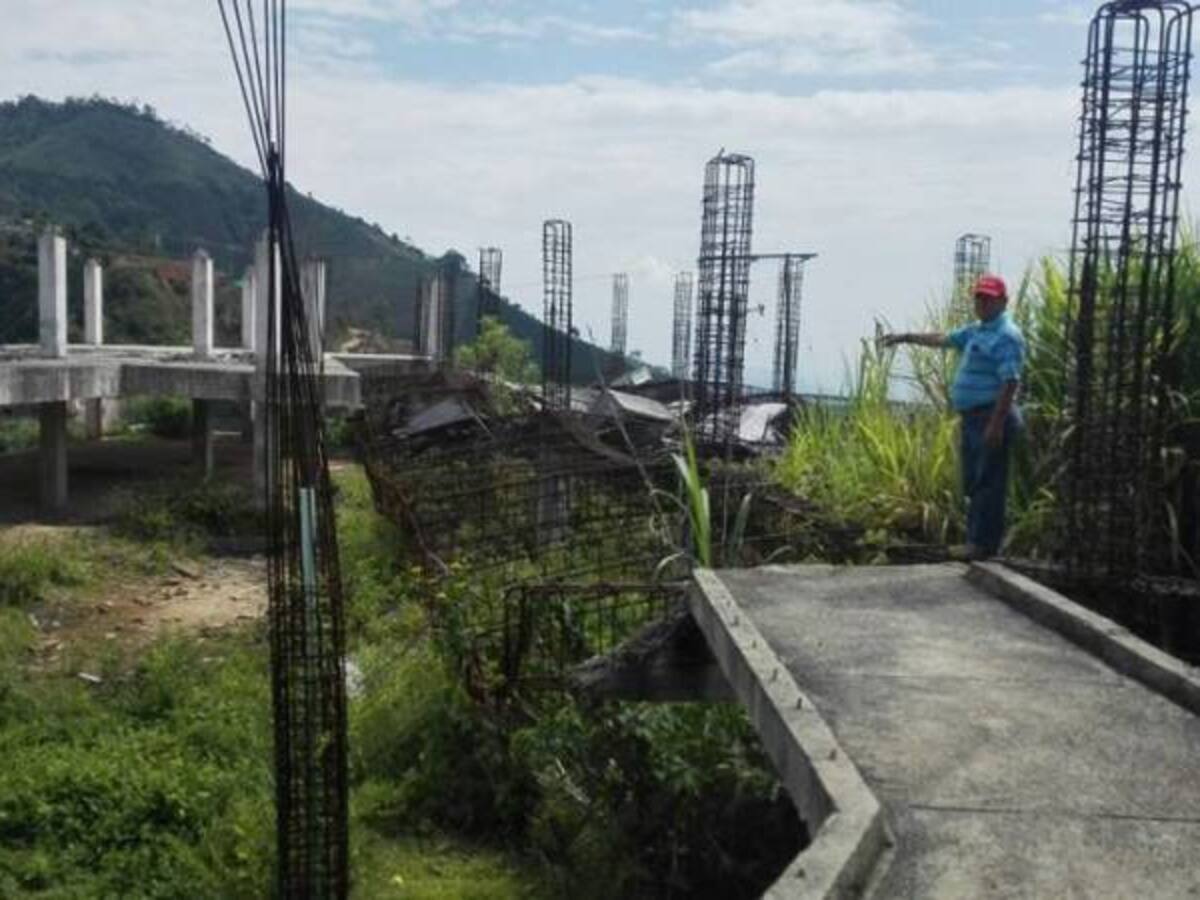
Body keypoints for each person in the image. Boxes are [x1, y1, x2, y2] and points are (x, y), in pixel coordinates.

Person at [881, 274, 1025, 559]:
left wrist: (996, 424)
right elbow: (943, 338)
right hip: (973, 418)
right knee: (973, 480)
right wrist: (906, 337)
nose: (982, 303)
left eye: (988, 298)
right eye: (979, 298)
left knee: (989, 482)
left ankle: (982, 545)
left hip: (991, 417)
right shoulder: (977, 330)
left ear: (1003, 301)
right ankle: (975, 541)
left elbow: (1010, 381)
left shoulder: (1006, 335)